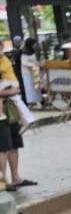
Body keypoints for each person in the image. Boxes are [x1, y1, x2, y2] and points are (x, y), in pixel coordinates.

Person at [0, 51, 34, 191]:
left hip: (12, 106)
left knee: (14, 143)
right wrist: (9, 92)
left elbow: (13, 81)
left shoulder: (5, 60)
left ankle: (15, 178)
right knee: (3, 147)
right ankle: (3, 181)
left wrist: (14, 90)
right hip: (1, 111)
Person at [19, 38, 41, 107]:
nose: (35, 45)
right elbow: (24, 63)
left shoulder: (32, 51)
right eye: (34, 44)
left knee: (36, 87)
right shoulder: (24, 52)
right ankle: (32, 102)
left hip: (34, 72)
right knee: (30, 88)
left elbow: (34, 60)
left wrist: (38, 63)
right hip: (27, 74)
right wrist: (33, 65)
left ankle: (37, 101)